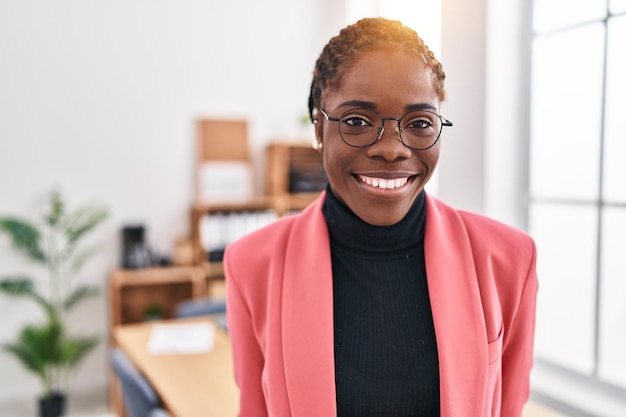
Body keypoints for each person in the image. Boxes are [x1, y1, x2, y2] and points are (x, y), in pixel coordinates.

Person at [224, 17, 537, 417]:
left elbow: (508, 406)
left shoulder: (509, 259)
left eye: (420, 123)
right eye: (357, 121)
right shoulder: (252, 264)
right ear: (320, 128)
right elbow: (255, 408)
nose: (391, 149)